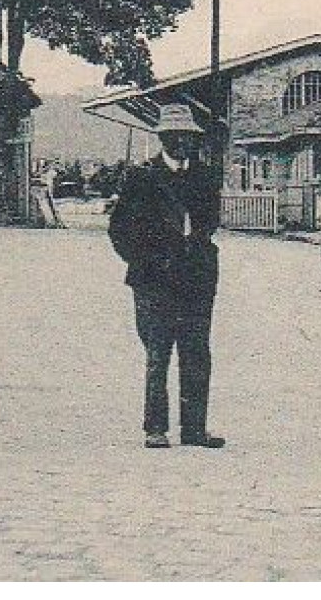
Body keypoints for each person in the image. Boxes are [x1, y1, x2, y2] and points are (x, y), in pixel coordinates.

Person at [107, 104, 225, 450]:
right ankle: (155, 428)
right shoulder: (141, 178)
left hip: (195, 282)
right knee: (158, 353)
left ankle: (194, 429)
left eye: (188, 138)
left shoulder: (204, 177)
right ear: (163, 139)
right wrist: (146, 261)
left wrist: (197, 248)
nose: (183, 144)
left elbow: (210, 222)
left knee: (197, 354)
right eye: (175, 138)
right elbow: (119, 230)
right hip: (153, 282)